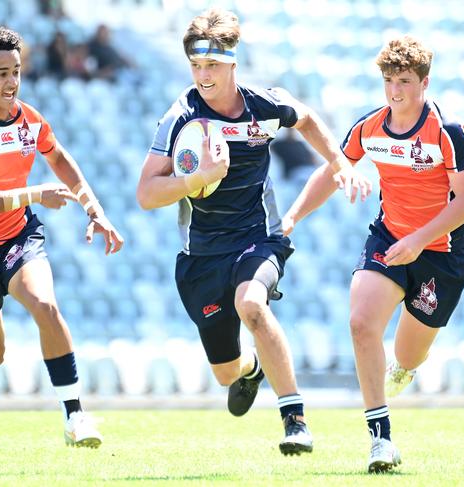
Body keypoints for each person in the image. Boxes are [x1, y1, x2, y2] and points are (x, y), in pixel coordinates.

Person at [136, 8, 370, 455]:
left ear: (232, 63)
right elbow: (146, 193)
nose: (204, 75)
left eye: (213, 65)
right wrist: (196, 178)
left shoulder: (264, 104)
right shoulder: (180, 117)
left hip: (258, 238)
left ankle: (294, 420)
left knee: (252, 305)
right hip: (202, 254)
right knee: (226, 371)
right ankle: (251, 369)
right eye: (197, 66)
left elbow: (303, 118)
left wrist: (339, 164)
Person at [0, 26, 124, 448]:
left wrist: (94, 209)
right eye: (2, 73)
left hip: (17, 237)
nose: (12, 82)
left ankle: (75, 417)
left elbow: (59, 158)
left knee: (45, 304)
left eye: (17, 72)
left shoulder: (28, 117)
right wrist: (33, 194)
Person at [336, 36, 464, 472]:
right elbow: (336, 166)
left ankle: (404, 368)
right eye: (388, 80)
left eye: (404, 81)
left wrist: (419, 239)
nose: (395, 90)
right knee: (362, 324)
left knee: (408, 354)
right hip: (389, 239)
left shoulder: (448, 131)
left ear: (424, 82)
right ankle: (381, 441)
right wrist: (290, 220)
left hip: (441, 254)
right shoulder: (369, 127)